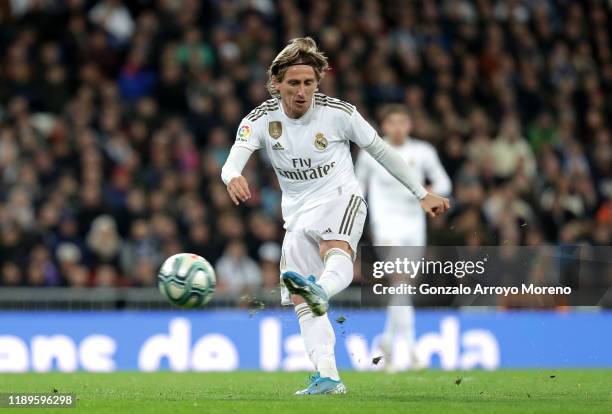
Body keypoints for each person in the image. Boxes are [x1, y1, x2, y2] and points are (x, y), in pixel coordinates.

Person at [221, 37, 449, 395]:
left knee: (333, 251)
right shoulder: (262, 119)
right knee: (300, 301)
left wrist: (421, 193)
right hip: (296, 213)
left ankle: (322, 289)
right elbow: (235, 155)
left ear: (318, 83)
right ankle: (328, 376)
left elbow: (380, 150)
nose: (301, 91)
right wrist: (233, 175)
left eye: (309, 83)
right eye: (293, 83)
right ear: (276, 83)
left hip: (341, 197)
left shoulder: (339, 113)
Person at [356, 104, 452, 372]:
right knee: (400, 279)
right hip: (385, 224)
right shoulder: (371, 153)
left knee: (403, 287)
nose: (397, 127)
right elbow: (357, 188)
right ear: (383, 126)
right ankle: (410, 349)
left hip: (414, 225)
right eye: (392, 122)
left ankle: (387, 341)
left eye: (402, 122)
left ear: (409, 125)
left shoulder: (423, 152)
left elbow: (445, 184)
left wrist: (428, 191)